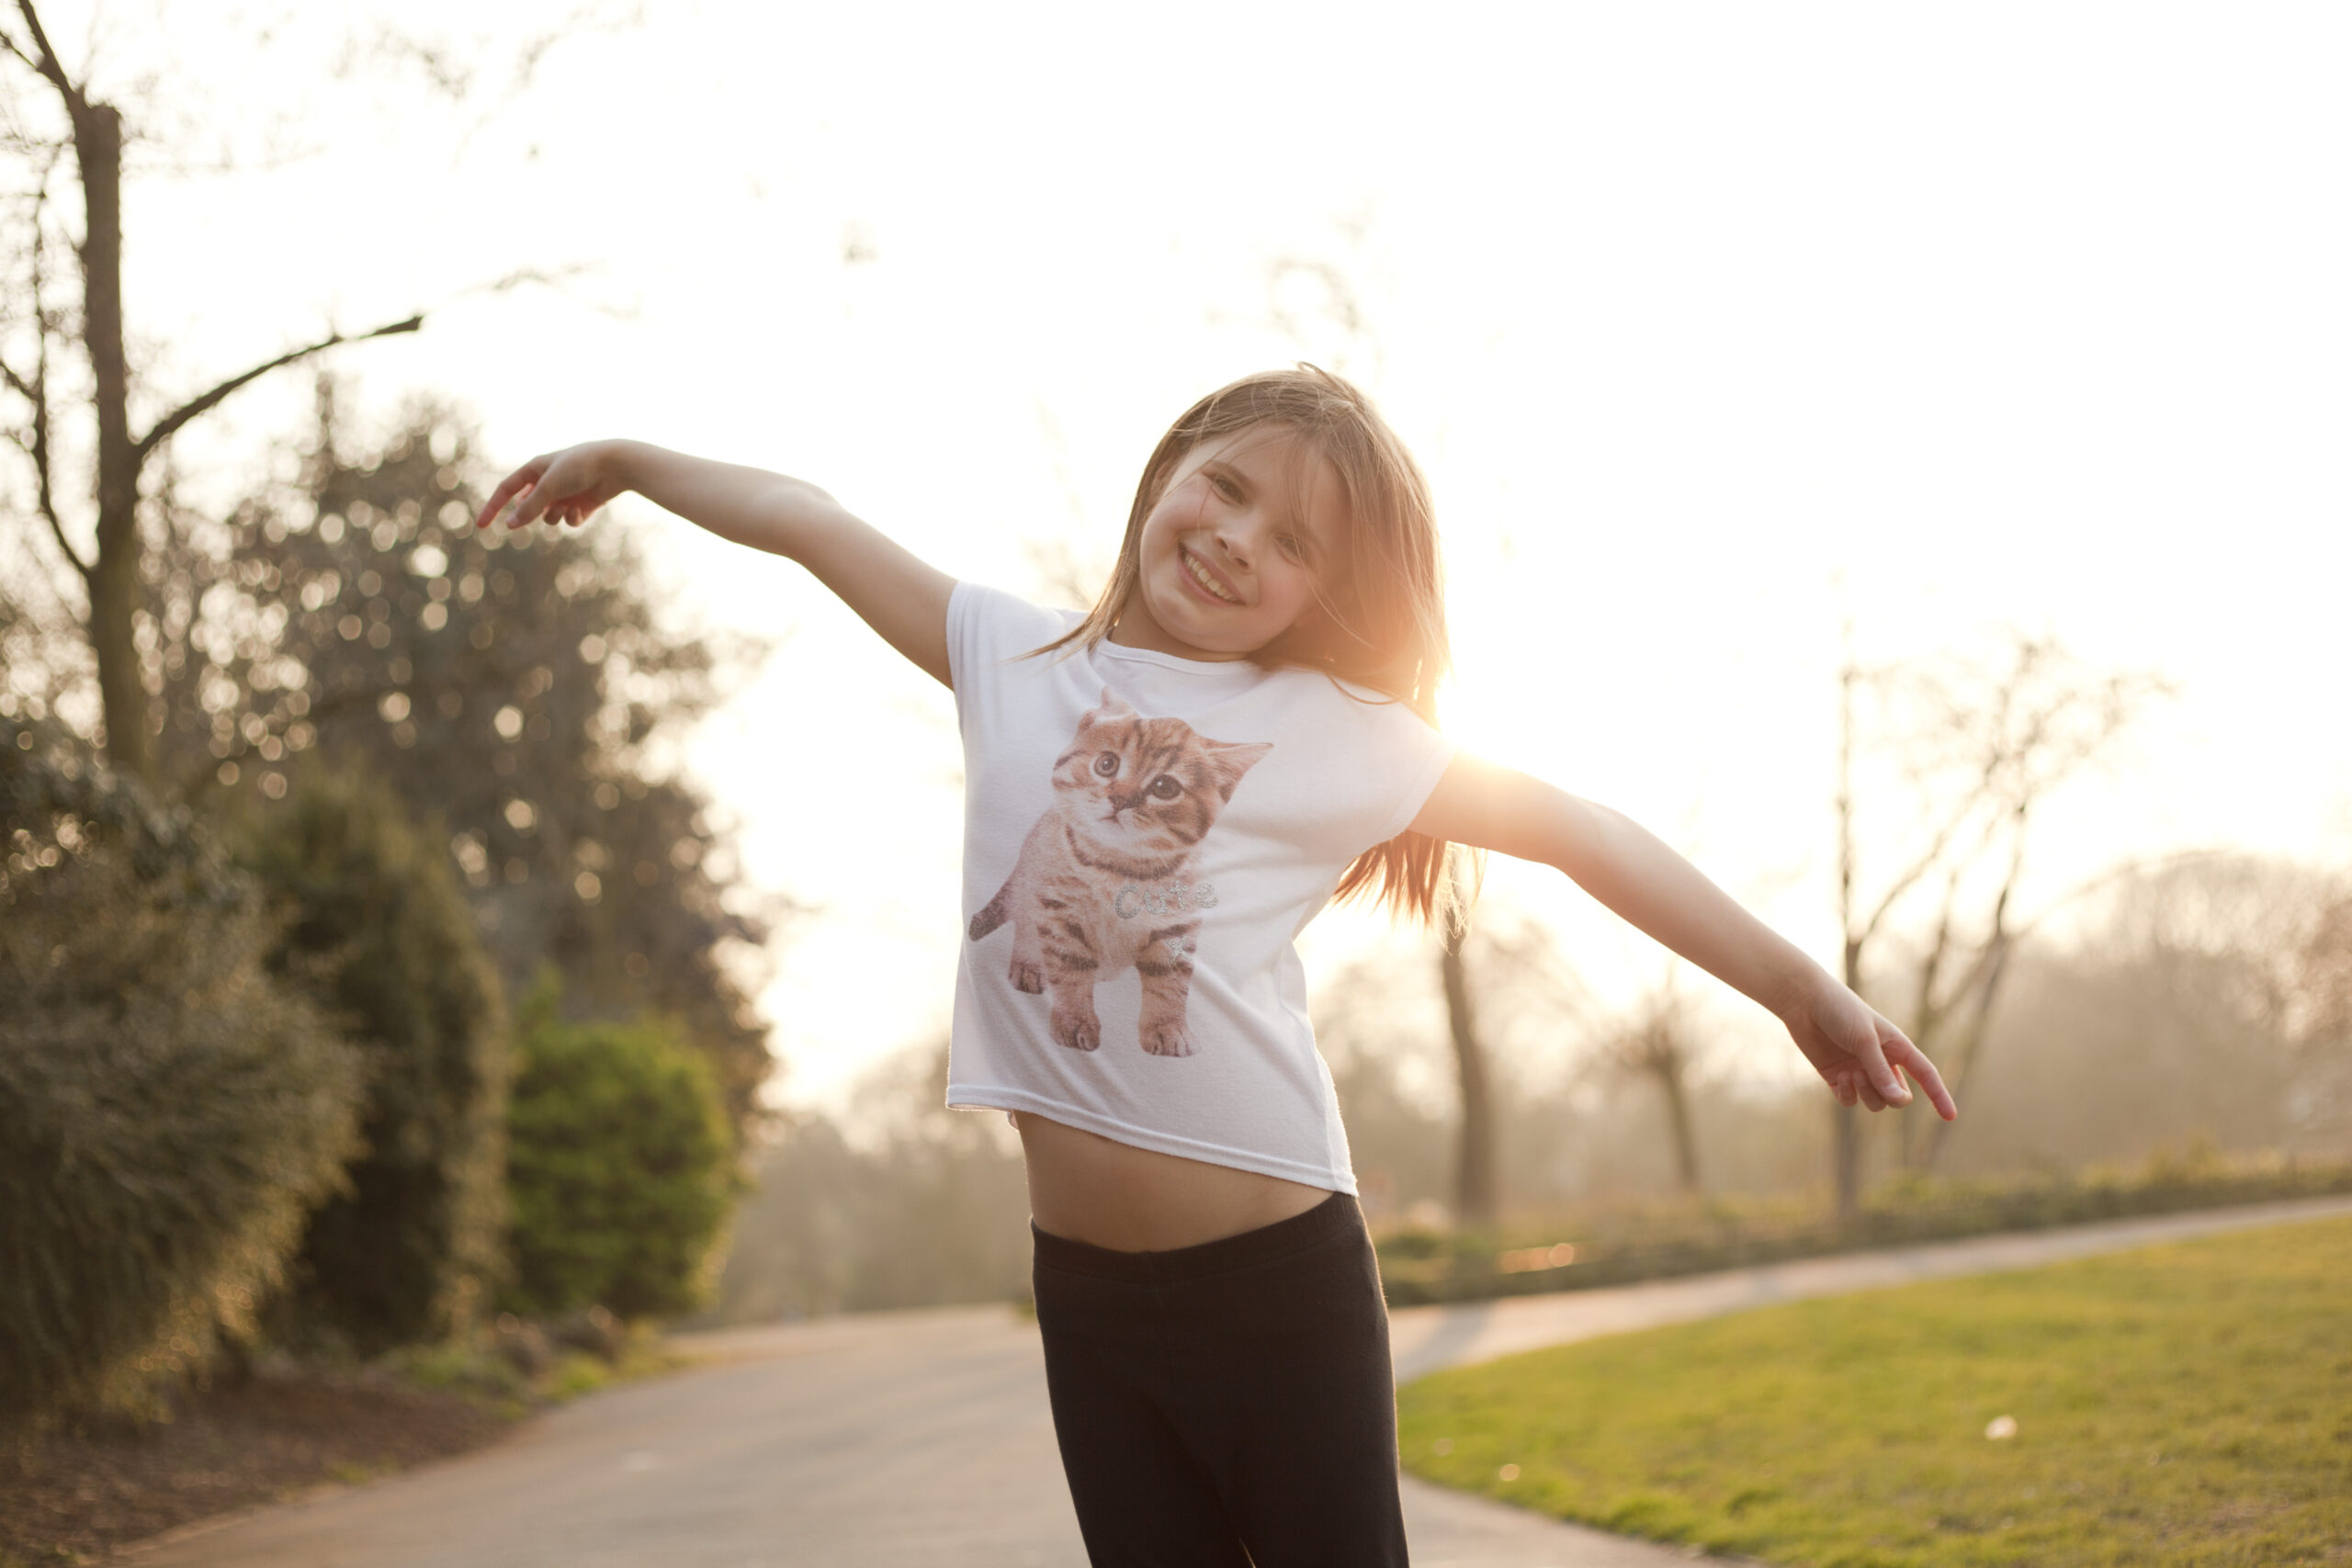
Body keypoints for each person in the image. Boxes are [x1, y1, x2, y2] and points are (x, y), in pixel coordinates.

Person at [478, 366, 1957, 1566]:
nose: (1244, 536)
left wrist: (1799, 990)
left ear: (1323, 594)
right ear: (1171, 470)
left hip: (1279, 1288)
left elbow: (1580, 832)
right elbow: (807, 515)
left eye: (1297, 540)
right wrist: (631, 455)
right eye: (1229, 486)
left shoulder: (1333, 733)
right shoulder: (1013, 657)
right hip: (1088, 1294)